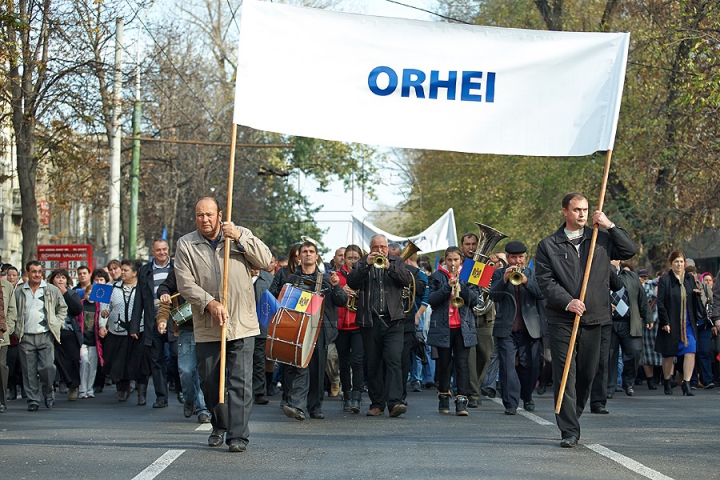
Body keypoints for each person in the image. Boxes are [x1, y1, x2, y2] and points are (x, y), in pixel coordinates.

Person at [535, 192, 637, 448]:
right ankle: (569, 429)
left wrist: (610, 225)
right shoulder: (549, 244)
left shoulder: (601, 239)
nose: (582, 213)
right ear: (565, 212)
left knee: (587, 375)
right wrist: (568, 301)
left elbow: (630, 250)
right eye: (577, 209)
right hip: (562, 319)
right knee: (565, 375)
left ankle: (573, 413)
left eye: (585, 209)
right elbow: (545, 281)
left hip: (596, 318)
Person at [175, 197, 272, 453]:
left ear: (220, 215)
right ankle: (220, 424)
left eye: (209, 214)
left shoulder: (240, 235)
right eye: (199, 215)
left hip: (241, 323)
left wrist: (239, 236)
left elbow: (265, 260)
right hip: (209, 325)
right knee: (209, 381)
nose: (204, 219)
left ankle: (238, 435)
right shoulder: (186, 244)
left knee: (240, 381)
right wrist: (209, 303)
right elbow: (185, 284)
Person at [271, 241, 344, 421]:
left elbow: (341, 301)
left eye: (312, 251)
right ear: (299, 256)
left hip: (318, 330)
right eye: (305, 251)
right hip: (295, 330)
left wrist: (336, 286)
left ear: (317, 256)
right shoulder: (291, 280)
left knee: (318, 370)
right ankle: (297, 405)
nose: (308, 254)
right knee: (297, 368)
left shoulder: (327, 279)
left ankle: (315, 407)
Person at [347, 234, 413, 417]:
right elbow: (352, 282)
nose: (380, 251)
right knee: (373, 363)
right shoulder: (361, 263)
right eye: (376, 247)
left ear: (387, 248)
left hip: (393, 321)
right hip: (370, 321)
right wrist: (366, 265)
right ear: (370, 248)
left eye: (382, 247)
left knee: (393, 360)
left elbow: (406, 280)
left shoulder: (397, 261)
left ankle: (394, 403)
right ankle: (377, 404)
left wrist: (389, 267)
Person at [490, 241, 544, 415]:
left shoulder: (533, 274)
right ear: (507, 258)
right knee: (507, 366)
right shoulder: (498, 274)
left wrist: (527, 282)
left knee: (531, 366)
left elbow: (541, 294)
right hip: (507, 328)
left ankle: (527, 396)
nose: (517, 261)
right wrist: (504, 280)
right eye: (514, 257)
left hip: (531, 328)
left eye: (520, 257)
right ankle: (510, 403)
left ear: (525, 258)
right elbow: (493, 296)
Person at [427, 246, 479, 416]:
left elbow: (474, 300)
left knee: (462, 365)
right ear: (445, 260)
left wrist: (461, 288)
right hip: (443, 327)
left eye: (456, 260)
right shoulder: (436, 276)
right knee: (444, 365)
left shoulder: (469, 275)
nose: (453, 263)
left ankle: (462, 401)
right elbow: (432, 301)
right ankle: (443, 396)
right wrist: (447, 288)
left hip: (463, 327)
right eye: (449, 260)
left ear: (461, 261)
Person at [156, 267, 211, 423]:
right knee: (186, 370)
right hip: (186, 331)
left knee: (203, 371)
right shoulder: (177, 273)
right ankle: (188, 398)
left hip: (207, 329)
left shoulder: (209, 270)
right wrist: (161, 320)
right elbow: (164, 294)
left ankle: (203, 409)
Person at [130, 239, 178, 409]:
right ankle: (161, 397)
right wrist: (134, 326)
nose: (162, 253)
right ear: (153, 252)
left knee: (177, 355)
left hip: (176, 321)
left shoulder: (177, 267)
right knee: (157, 361)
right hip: (152, 322)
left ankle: (181, 390)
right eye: (158, 250)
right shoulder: (145, 271)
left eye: (165, 249)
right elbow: (139, 300)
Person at [15, 261, 69, 411]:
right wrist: (14, 329)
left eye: (39, 271)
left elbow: (62, 307)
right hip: (25, 335)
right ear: (27, 273)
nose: (37, 274)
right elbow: (12, 311)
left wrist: (58, 323)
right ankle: (33, 400)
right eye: (34, 272)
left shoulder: (50, 289)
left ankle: (48, 392)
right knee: (29, 370)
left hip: (45, 334)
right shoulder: (19, 291)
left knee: (47, 367)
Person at [99, 259, 152, 405]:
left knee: (140, 363)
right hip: (117, 331)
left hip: (138, 331)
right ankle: (123, 389)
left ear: (135, 272)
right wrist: (102, 322)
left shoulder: (143, 288)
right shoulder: (111, 287)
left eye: (125, 270)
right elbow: (103, 306)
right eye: (121, 270)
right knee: (118, 362)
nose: (122, 273)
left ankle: (142, 393)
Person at [655, 251, 704, 396]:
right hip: (671, 322)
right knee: (669, 354)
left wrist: (697, 294)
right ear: (671, 263)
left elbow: (693, 299)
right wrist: (664, 321)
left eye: (681, 262)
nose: (679, 264)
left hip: (688, 322)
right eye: (676, 261)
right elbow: (661, 302)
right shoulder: (665, 280)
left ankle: (687, 383)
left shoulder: (689, 279)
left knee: (691, 350)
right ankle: (667, 380)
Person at [387, 242, 427, 405]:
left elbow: (422, 289)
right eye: (392, 257)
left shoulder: (413, 272)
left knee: (402, 361)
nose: (395, 259)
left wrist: (406, 281)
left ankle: (399, 396)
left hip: (405, 322)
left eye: (398, 257)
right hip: (386, 321)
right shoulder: (380, 269)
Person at [460, 232, 496, 408]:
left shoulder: (487, 265)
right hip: (467, 315)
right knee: (470, 357)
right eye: (468, 244)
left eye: (474, 244)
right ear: (462, 246)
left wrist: (494, 267)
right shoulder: (461, 265)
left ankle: (475, 386)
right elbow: (463, 286)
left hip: (486, 316)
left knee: (486, 355)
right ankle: (473, 393)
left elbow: (492, 288)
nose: (472, 248)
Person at [335, 245, 364, 413]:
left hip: (358, 324)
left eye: (356, 258)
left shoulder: (364, 275)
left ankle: (357, 397)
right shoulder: (336, 276)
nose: (353, 261)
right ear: (344, 259)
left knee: (358, 361)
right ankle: (346, 396)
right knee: (344, 363)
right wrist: (340, 289)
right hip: (341, 325)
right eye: (350, 258)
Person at [47, 269, 84, 401]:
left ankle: (73, 386)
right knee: (52, 360)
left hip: (68, 330)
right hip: (51, 331)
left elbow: (77, 310)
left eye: (63, 277)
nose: (61, 280)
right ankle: (53, 386)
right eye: (58, 277)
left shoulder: (72, 293)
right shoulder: (46, 292)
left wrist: (65, 294)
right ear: (52, 280)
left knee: (73, 359)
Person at [78, 269, 109, 399]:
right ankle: (82, 389)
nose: (90, 296)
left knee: (93, 366)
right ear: (84, 294)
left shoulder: (99, 306)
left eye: (92, 293)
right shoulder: (80, 306)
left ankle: (90, 389)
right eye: (88, 293)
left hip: (95, 341)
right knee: (84, 363)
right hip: (83, 341)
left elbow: (103, 318)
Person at [251, 267, 274, 405]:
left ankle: (259, 392)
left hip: (262, 327)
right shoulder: (240, 276)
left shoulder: (269, 279)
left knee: (259, 360)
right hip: (241, 326)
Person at [639, 269, 662, 390]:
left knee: (665, 353)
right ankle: (650, 379)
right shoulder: (649, 285)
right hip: (649, 321)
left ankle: (665, 378)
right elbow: (643, 300)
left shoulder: (671, 285)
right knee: (648, 352)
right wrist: (655, 293)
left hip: (663, 321)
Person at [0, 273, 16, 412]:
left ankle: (2, 400)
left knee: (1, 365)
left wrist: (8, 328)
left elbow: (12, 310)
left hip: (1, 334)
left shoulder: (7, 286)